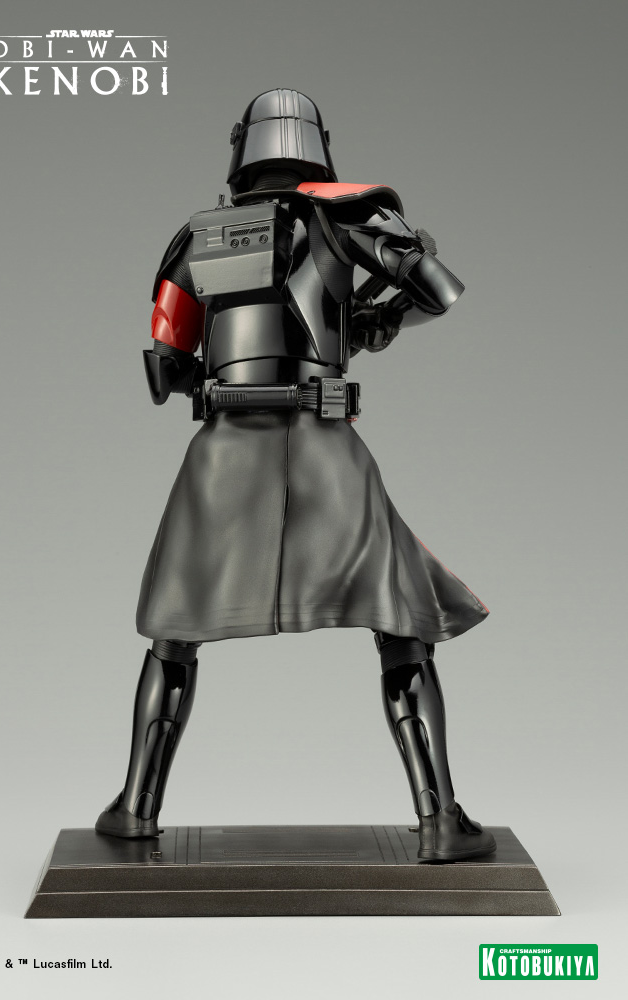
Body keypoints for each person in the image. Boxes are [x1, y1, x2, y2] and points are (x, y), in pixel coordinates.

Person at [96, 90, 496, 861]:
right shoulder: (351, 217)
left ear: (241, 149)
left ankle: (134, 809)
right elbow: (439, 291)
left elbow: (165, 366)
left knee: (174, 635)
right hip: (323, 446)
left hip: (224, 451)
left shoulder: (196, 236)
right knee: (401, 627)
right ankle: (439, 819)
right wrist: (375, 317)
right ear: (318, 146)